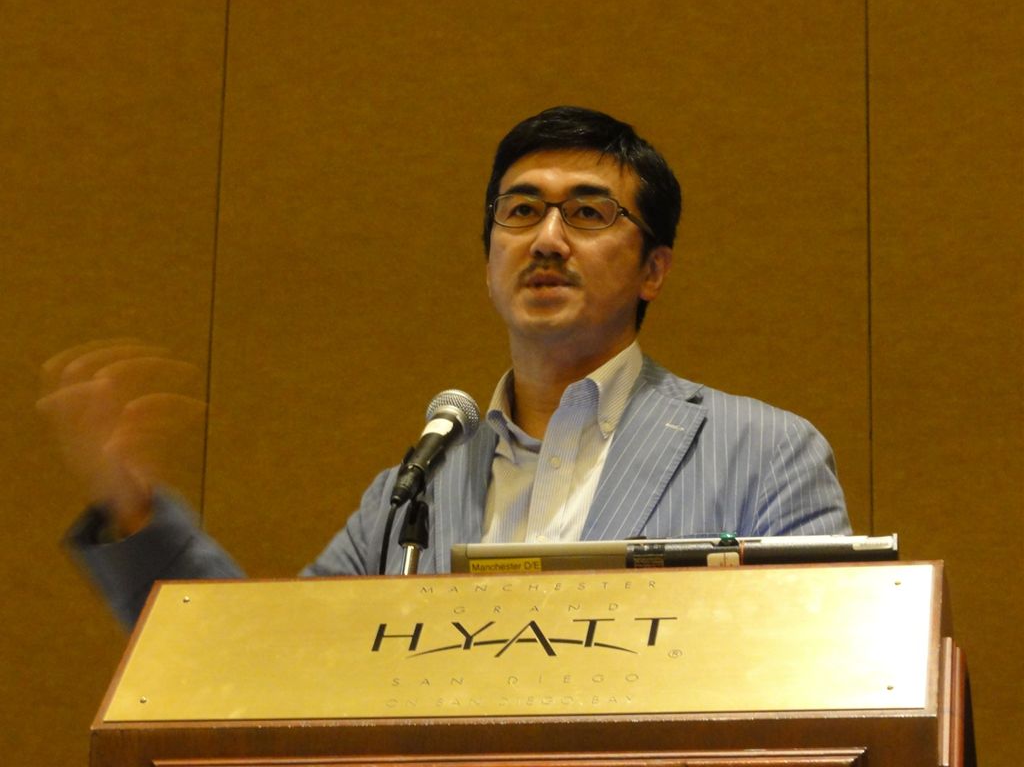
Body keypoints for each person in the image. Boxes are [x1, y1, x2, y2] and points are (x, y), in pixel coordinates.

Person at [41, 106, 850, 629]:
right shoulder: (416, 486)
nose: (547, 239)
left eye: (588, 213)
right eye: (521, 210)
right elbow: (263, 659)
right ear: (489, 258)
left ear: (654, 270)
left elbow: (822, 666)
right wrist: (136, 512)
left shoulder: (765, 453)